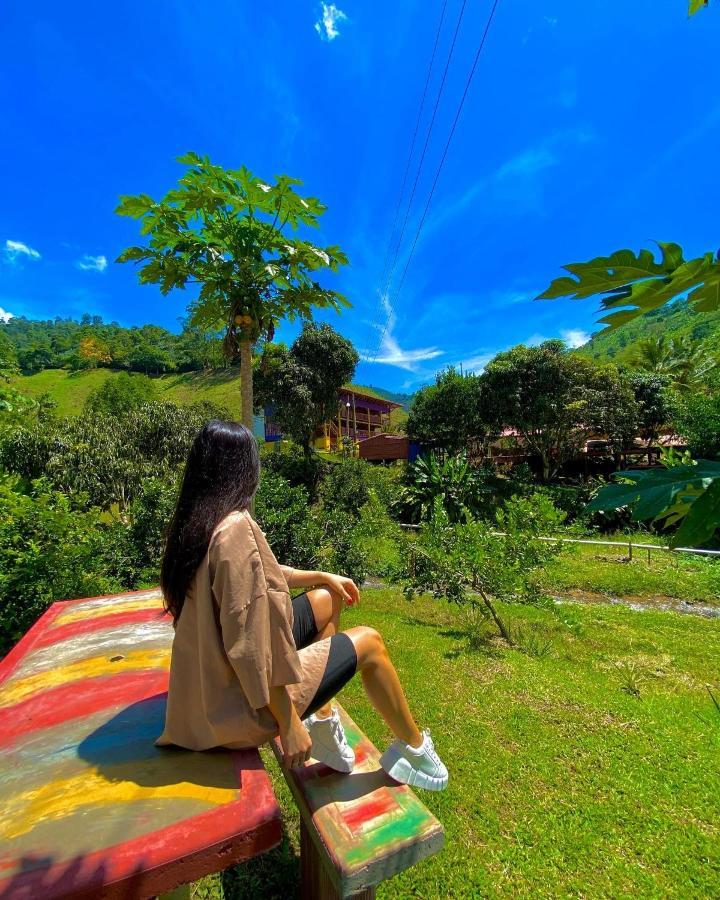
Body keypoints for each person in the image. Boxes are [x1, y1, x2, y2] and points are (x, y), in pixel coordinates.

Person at [155, 420, 448, 791]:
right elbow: (250, 649)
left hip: (202, 696)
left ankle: (323, 720)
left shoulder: (199, 522)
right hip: (236, 709)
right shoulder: (235, 530)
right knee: (371, 643)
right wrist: (289, 721)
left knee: (326, 600)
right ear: (245, 469)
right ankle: (415, 751)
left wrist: (324, 577)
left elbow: (266, 574)